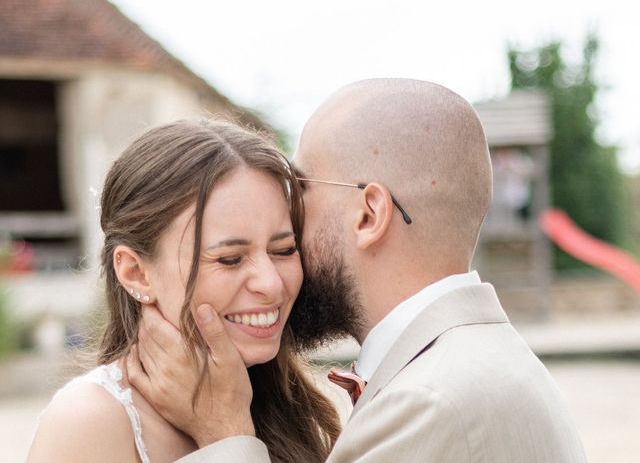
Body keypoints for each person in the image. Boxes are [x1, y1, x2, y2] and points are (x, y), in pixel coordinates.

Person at [128, 79, 588, 462]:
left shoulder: (429, 400)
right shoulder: (477, 361)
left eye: (301, 185)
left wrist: (225, 431)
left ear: (368, 215)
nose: (288, 213)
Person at [27, 119, 341, 463]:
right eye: (230, 259)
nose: (271, 284)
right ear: (135, 272)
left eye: (283, 250)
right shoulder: (90, 419)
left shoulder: (289, 405)